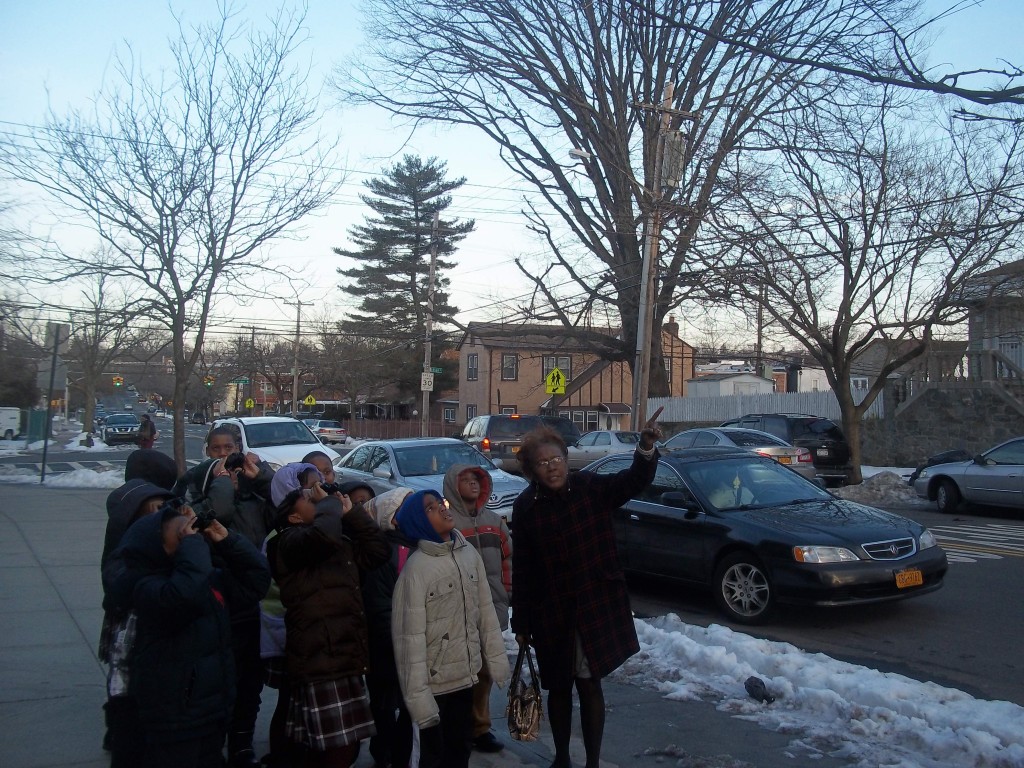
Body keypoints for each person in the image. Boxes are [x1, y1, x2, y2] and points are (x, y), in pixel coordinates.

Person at [510, 407, 664, 768]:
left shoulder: (589, 488)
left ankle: (592, 761)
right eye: (543, 462)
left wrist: (644, 448)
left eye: (557, 458)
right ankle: (562, 758)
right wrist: (522, 622)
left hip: (594, 604)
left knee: (590, 684)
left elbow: (631, 482)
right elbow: (524, 568)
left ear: (567, 459)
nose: (553, 466)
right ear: (532, 469)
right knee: (559, 688)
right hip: (553, 612)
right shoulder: (526, 507)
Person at [103, 500, 271, 768]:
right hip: (174, 722)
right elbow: (183, 597)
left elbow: (257, 578)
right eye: (182, 535)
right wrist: (192, 546)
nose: (193, 538)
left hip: (210, 714)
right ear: (158, 547)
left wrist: (226, 540)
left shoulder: (204, 579)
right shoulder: (147, 588)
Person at [266, 462, 390, 768]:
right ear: (294, 516)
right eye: (309, 500)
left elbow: (377, 552)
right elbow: (322, 536)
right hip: (319, 656)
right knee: (335, 745)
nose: (317, 501)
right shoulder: (286, 542)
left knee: (345, 742)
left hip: (344, 651)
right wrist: (330, 505)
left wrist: (352, 514)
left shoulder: (335, 539)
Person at [392, 490, 511, 768]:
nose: (443, 509)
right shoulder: (416, 571)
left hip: (465, 677)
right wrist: (418, 698)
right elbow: (408, 641)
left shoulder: (468, 553)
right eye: (431, 509)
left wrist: (495, 660)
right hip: (433, 685)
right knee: (429, 756)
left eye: (441, 503)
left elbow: (485, 611)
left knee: (459, 751)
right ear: (418, 522)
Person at [100, 479, 176, 767]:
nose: (163, 516)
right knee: (130, 734)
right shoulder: (126, 563)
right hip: (135, 680)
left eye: (167, 508)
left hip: (161, 684)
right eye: (155, 511)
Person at [442, 463, 513, 753]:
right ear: (452, 485)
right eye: (465, 480)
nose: (472, 484)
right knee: (459, 671)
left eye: (476, 479)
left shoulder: (495, 521)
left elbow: (508, 560)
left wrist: (507, 592)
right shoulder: (446, 523)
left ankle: (479, 727)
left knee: (484, 671)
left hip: (491, 607)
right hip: (457, 610)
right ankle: (454, 726)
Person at [360, 487, 417, 768]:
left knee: (408, 710)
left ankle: (400, 755)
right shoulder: (386, 553)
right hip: (389, 648)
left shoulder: (424, 546)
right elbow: (380, 607)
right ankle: (383, 753)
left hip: (414, 647)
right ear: (393, 518)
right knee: (385, 706)